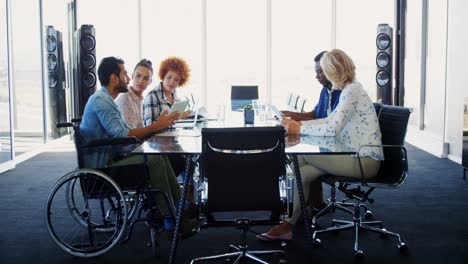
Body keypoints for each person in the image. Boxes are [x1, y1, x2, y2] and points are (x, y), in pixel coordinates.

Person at [258, 49, 383, 241]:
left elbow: (332, 129)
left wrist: (298, 129)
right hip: (351, 154)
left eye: (323, 70)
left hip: (364, 160)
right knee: (304, 174)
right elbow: (327, 120)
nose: (320, 75)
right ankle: (289, 221)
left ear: (332, 70)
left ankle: (286, 210)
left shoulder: (352, 91)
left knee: (297, 159)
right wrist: (298, 125)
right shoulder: (348, 89)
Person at [79, 56, 198, 237]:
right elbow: (122, 135)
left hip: (111, 157)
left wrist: (156, 126)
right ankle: (171, 219)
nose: (128, 78)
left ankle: (180, 208)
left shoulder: (106, 99)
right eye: (125, 74)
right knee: (155, 161)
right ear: (114, 78)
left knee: (161, 158)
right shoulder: (101, 101)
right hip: (104, 166)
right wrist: (157, 126)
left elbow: (125, 130)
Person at [284, 51, 343, 214]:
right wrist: (293, 116)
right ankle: (306, 205)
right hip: (323, 137)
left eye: (319, 71)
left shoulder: (344, 92)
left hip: (337, 144)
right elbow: (316, 115)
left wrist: (297, 123)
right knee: (299, 160)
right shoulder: (326, 90)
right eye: (315, 71)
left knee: (301, 158)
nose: (316, 76)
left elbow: (331, 124)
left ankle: (310, 205)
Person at [143, 56, 192, 180]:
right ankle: (185, 192)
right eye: (169, 77)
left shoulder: (174, 95)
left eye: (176, 80)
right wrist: (171, 119)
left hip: (171, 142)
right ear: (163, 75)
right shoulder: (152, 96)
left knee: (192, 157)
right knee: (186, 160)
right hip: (157, 146)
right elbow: (150, 127)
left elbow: (172, 122)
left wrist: (180, 117)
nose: (172, 82)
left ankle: (189, 190)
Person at [282, 51, 341, 121]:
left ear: (330, 70)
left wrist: (298, 118)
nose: (316, 77)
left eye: (319, 72)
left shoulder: (342, 93)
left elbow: (329, 124)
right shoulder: (325, 89)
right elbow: (315, 113)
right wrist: (291, 114)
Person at [115, 59, 153, 128]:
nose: (141, 81)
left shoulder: (140, 100)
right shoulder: (125, 99)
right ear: (132, 76)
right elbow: (130, 134)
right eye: (138, 76)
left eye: (146, 78)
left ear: (150, 81)